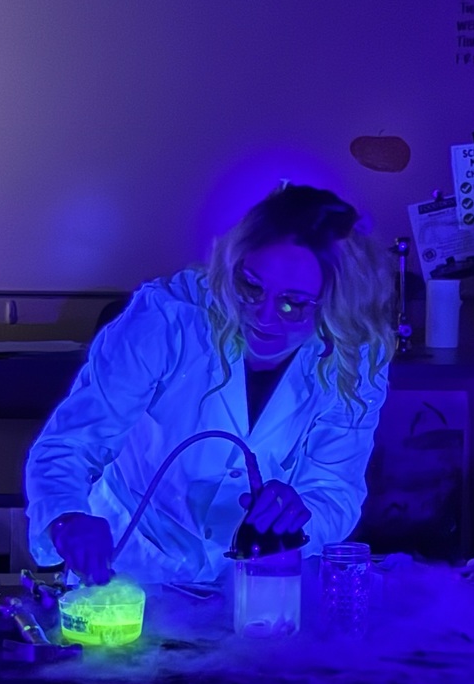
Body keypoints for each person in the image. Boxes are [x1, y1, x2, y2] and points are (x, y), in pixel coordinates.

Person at [24, 183, 396, 585]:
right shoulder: (168, 319)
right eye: (251, 286)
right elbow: (71, 443)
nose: (263, 316)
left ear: (335, 304)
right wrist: (66, 518)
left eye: (292, 304)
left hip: (254, 574)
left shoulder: (356, 356)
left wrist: (303, 512)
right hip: (130, 559)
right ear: (234, 264)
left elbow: (336, 486)